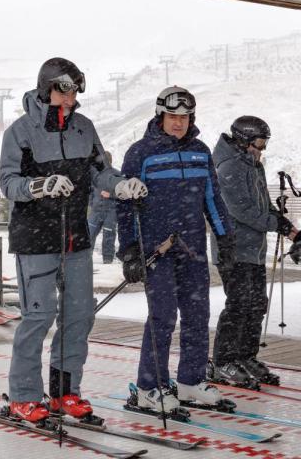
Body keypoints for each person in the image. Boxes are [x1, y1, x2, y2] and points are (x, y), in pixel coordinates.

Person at [0, 57, 146, 423]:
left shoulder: (84, 128)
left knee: (79, 316)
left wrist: (121, 184)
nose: (70, 98)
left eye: (74, 91)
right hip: (35, 239)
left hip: (75, 237)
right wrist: (40, 186)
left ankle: (65, 392)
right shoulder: (20, 131)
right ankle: (24, 395)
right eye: (63, 90)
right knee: (39, 316)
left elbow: (100, 171)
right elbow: (7, 183)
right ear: (45, 88)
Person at [116, 85, 234, 412]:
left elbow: (212, 197)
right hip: (158, 250)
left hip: (193, 248)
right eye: (172, 116)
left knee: (198, 315)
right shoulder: (141, 153)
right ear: (160, 116)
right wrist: (129, 250)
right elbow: (126, 207)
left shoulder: (201, 151)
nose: (178, 123)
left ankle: (190, 382)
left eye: (184, 117)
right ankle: (149, 388)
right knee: (163, 317)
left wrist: (225, 237)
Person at [209, 116, 301, 387]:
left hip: (253, 250)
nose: (260, 150)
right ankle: (223, 361)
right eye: (258, 144)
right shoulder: (228, 167)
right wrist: (276, 224)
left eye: (264, 145)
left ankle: (245, 356)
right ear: (242, 141)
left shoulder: (253, 165)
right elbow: (242, 211)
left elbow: (261, 205)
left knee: (256, 305)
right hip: (233, 249)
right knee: (238, 306)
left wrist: (288, 226)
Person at [87, 152, 118, 264]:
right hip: (96, 210)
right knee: (89, 234)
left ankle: (108, 260)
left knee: (108, 235)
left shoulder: (117, 175)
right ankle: (86, 258)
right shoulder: (95, 176)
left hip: (111, 211)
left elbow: (123, 194)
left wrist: (111, 195)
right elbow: (90, 191)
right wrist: (91, 204)